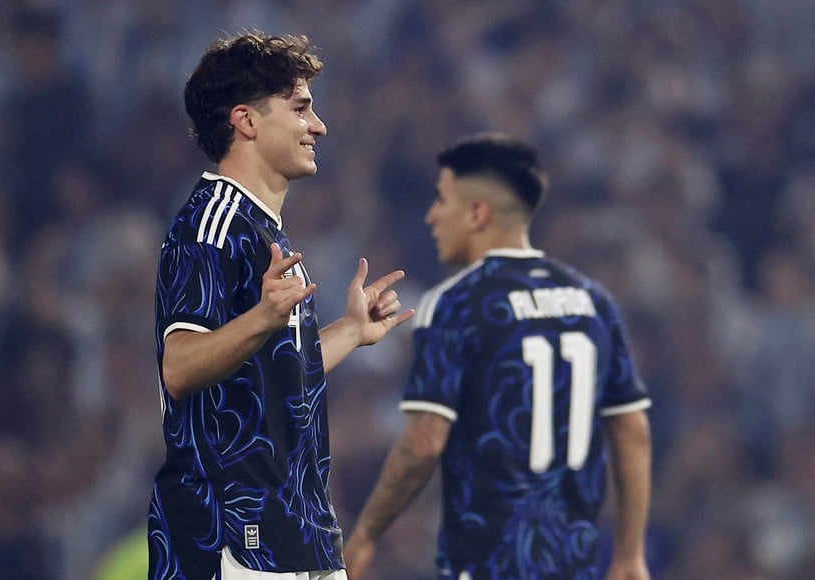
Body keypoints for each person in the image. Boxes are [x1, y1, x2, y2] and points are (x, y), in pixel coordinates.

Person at [147, 31, 413, 580]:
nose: (318, 126)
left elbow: (274, 372)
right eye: (300, 108)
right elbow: (179, 367)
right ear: (245, 121)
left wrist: (349, 332)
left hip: (298, 535)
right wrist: (264, 317)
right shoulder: (209, 226)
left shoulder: (266, 233)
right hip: (232, 541)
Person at [343, 133, 652, 580]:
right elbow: (633, 432)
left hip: (490, 561)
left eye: (442, 201)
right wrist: (629, 554)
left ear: (478, 213)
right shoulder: (593, 301)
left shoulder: (457, 304)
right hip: (574, 563)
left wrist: (368, 532)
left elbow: (424, 443)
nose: (431, 216)